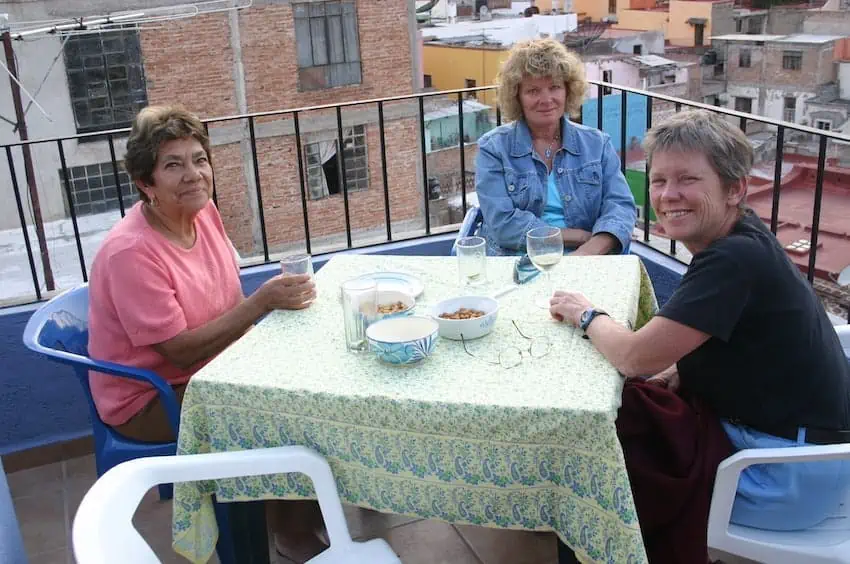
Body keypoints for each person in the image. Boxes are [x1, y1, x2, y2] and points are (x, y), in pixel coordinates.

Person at [550, 110, 850, 540]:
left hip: (786, 473)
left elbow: (634, 357)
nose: (669, 194)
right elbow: (735, 340)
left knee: (597, 464)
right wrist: (681, 369)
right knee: (629, 420)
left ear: (735, 189)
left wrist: (587, 314)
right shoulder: (740, 238)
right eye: (658, 181)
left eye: (688, 180)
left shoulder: (732, 260)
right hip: (808, 452)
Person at [87, 105, 325, 560]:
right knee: (271, 412)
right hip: (150, 395)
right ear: (146, 183)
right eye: (173, 165)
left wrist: (265, 319)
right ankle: (273, 536)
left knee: (310, 382)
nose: (193, 174)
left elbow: (226, 302)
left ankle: (304, 515)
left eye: (199, 159)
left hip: (212, 369)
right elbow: (177, 352)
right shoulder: (130, 253)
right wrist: (263, 303)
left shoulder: (204, 213)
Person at [475, 38, 636, 256]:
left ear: (568, 91)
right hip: (518, 259)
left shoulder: (597, 145)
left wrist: (590, 250)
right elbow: (503, 224)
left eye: (555, 87)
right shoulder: (493, 149)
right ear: (517, 97)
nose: (546, 99)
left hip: (590, 257)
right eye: (533, 90)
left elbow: (621, 206)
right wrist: (578, 236)